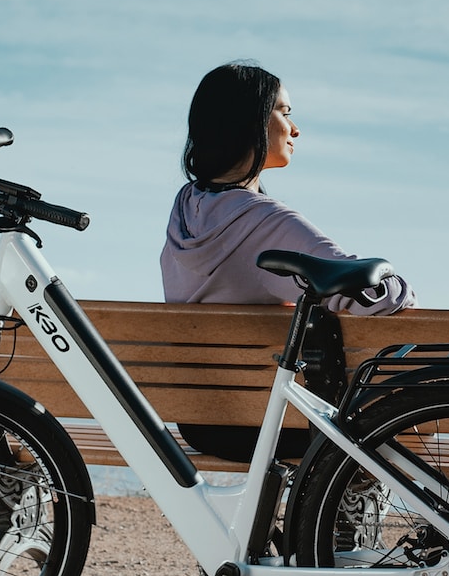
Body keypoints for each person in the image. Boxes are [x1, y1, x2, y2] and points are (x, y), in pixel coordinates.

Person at [161, 61, 416, 460]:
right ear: (248, 122)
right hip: (275, 421)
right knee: (383, 423)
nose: (294, 129)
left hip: (201, 422)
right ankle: (357, 507)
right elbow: (371, 296)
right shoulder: (264, 222)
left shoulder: (185, 210)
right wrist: (399, 286)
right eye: (285, 112)